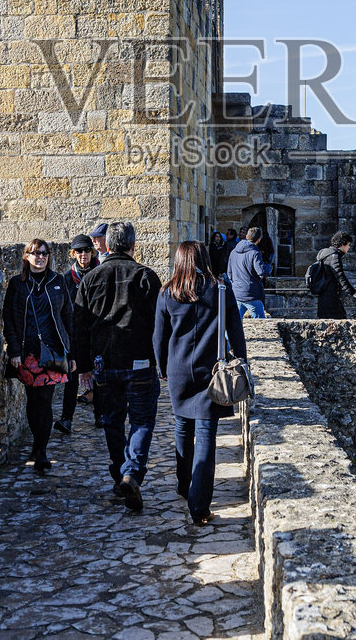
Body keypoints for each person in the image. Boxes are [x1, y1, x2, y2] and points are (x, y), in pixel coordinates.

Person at [153, 241, 248, 525]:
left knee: (182, 426)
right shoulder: (221, 289)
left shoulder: (168, 292)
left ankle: (184, 485)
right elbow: (236, 330)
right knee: (206, 433)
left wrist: (162, 368)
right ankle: (199, 505)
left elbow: (159, 336)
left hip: (178, 369)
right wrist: (241, 361)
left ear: (179, 260)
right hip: (211, 369)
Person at [74, 221, 162, 512]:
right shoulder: (146, 277)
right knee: (142, 420)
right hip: (140, 360)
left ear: (108, 246)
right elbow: (159, 323)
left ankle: (120, 474)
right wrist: (161, 360)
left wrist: (84, 366)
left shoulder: (90, 279)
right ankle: (131, 472)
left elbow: (80, 325)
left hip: (104, 361)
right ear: (133, 245)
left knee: (112, 420)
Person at [1, 239, 74, 473]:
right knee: (33, 400)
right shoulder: (17, 284)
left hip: (53, 351)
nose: (40, 257)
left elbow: (68, 316)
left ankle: (41, 451)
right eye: (35, 253)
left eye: (44, 253)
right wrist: (14, 351)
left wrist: (72, 353)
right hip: (29, 352)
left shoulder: (58, 281)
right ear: (27, 256)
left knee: (45, 398)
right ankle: (37, 443)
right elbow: (9, 319)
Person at [54, 234, 99, 436]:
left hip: (96, 333)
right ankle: (67, 419)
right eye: (79, 251)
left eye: (87, 250)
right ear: (73, 253)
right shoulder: (66, 279)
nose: (83, 254)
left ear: (92, 252)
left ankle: (100, 414)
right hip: (74, 335)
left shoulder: (100, 273)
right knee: (71, 378)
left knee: (99, 375)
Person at [313, 231, 356, 319]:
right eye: (348, 244)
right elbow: (340, 276)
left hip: (323, 296)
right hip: (331, 297)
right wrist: (353, 292)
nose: (349, 247)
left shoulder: (324, 253)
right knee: (340, 321)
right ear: (343, 244)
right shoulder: (334, 257)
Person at [226, 226, 272, 319]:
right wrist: (268, 268)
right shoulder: (255, 253)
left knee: (235, 322)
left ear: (247, 236)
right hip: (251, 293)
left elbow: (229, 273)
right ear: (259, 239)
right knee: (260, 322)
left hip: (237, 292)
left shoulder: (234, 252)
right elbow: (261, 272)